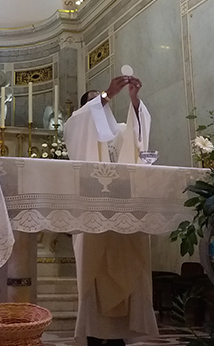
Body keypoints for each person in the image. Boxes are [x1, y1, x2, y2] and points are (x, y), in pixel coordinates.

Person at [63, 76, 158, 345]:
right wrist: (107, 94)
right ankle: (94, 336)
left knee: (129, 272)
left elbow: (137, 136)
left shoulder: (119, 130)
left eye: (104, 101)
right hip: (93, 212)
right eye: (95, 101)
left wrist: (133, 100)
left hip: (124, 212)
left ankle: (119, 337)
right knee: (94, 278)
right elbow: (82, 121)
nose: (103, 102)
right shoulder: (75, 125)